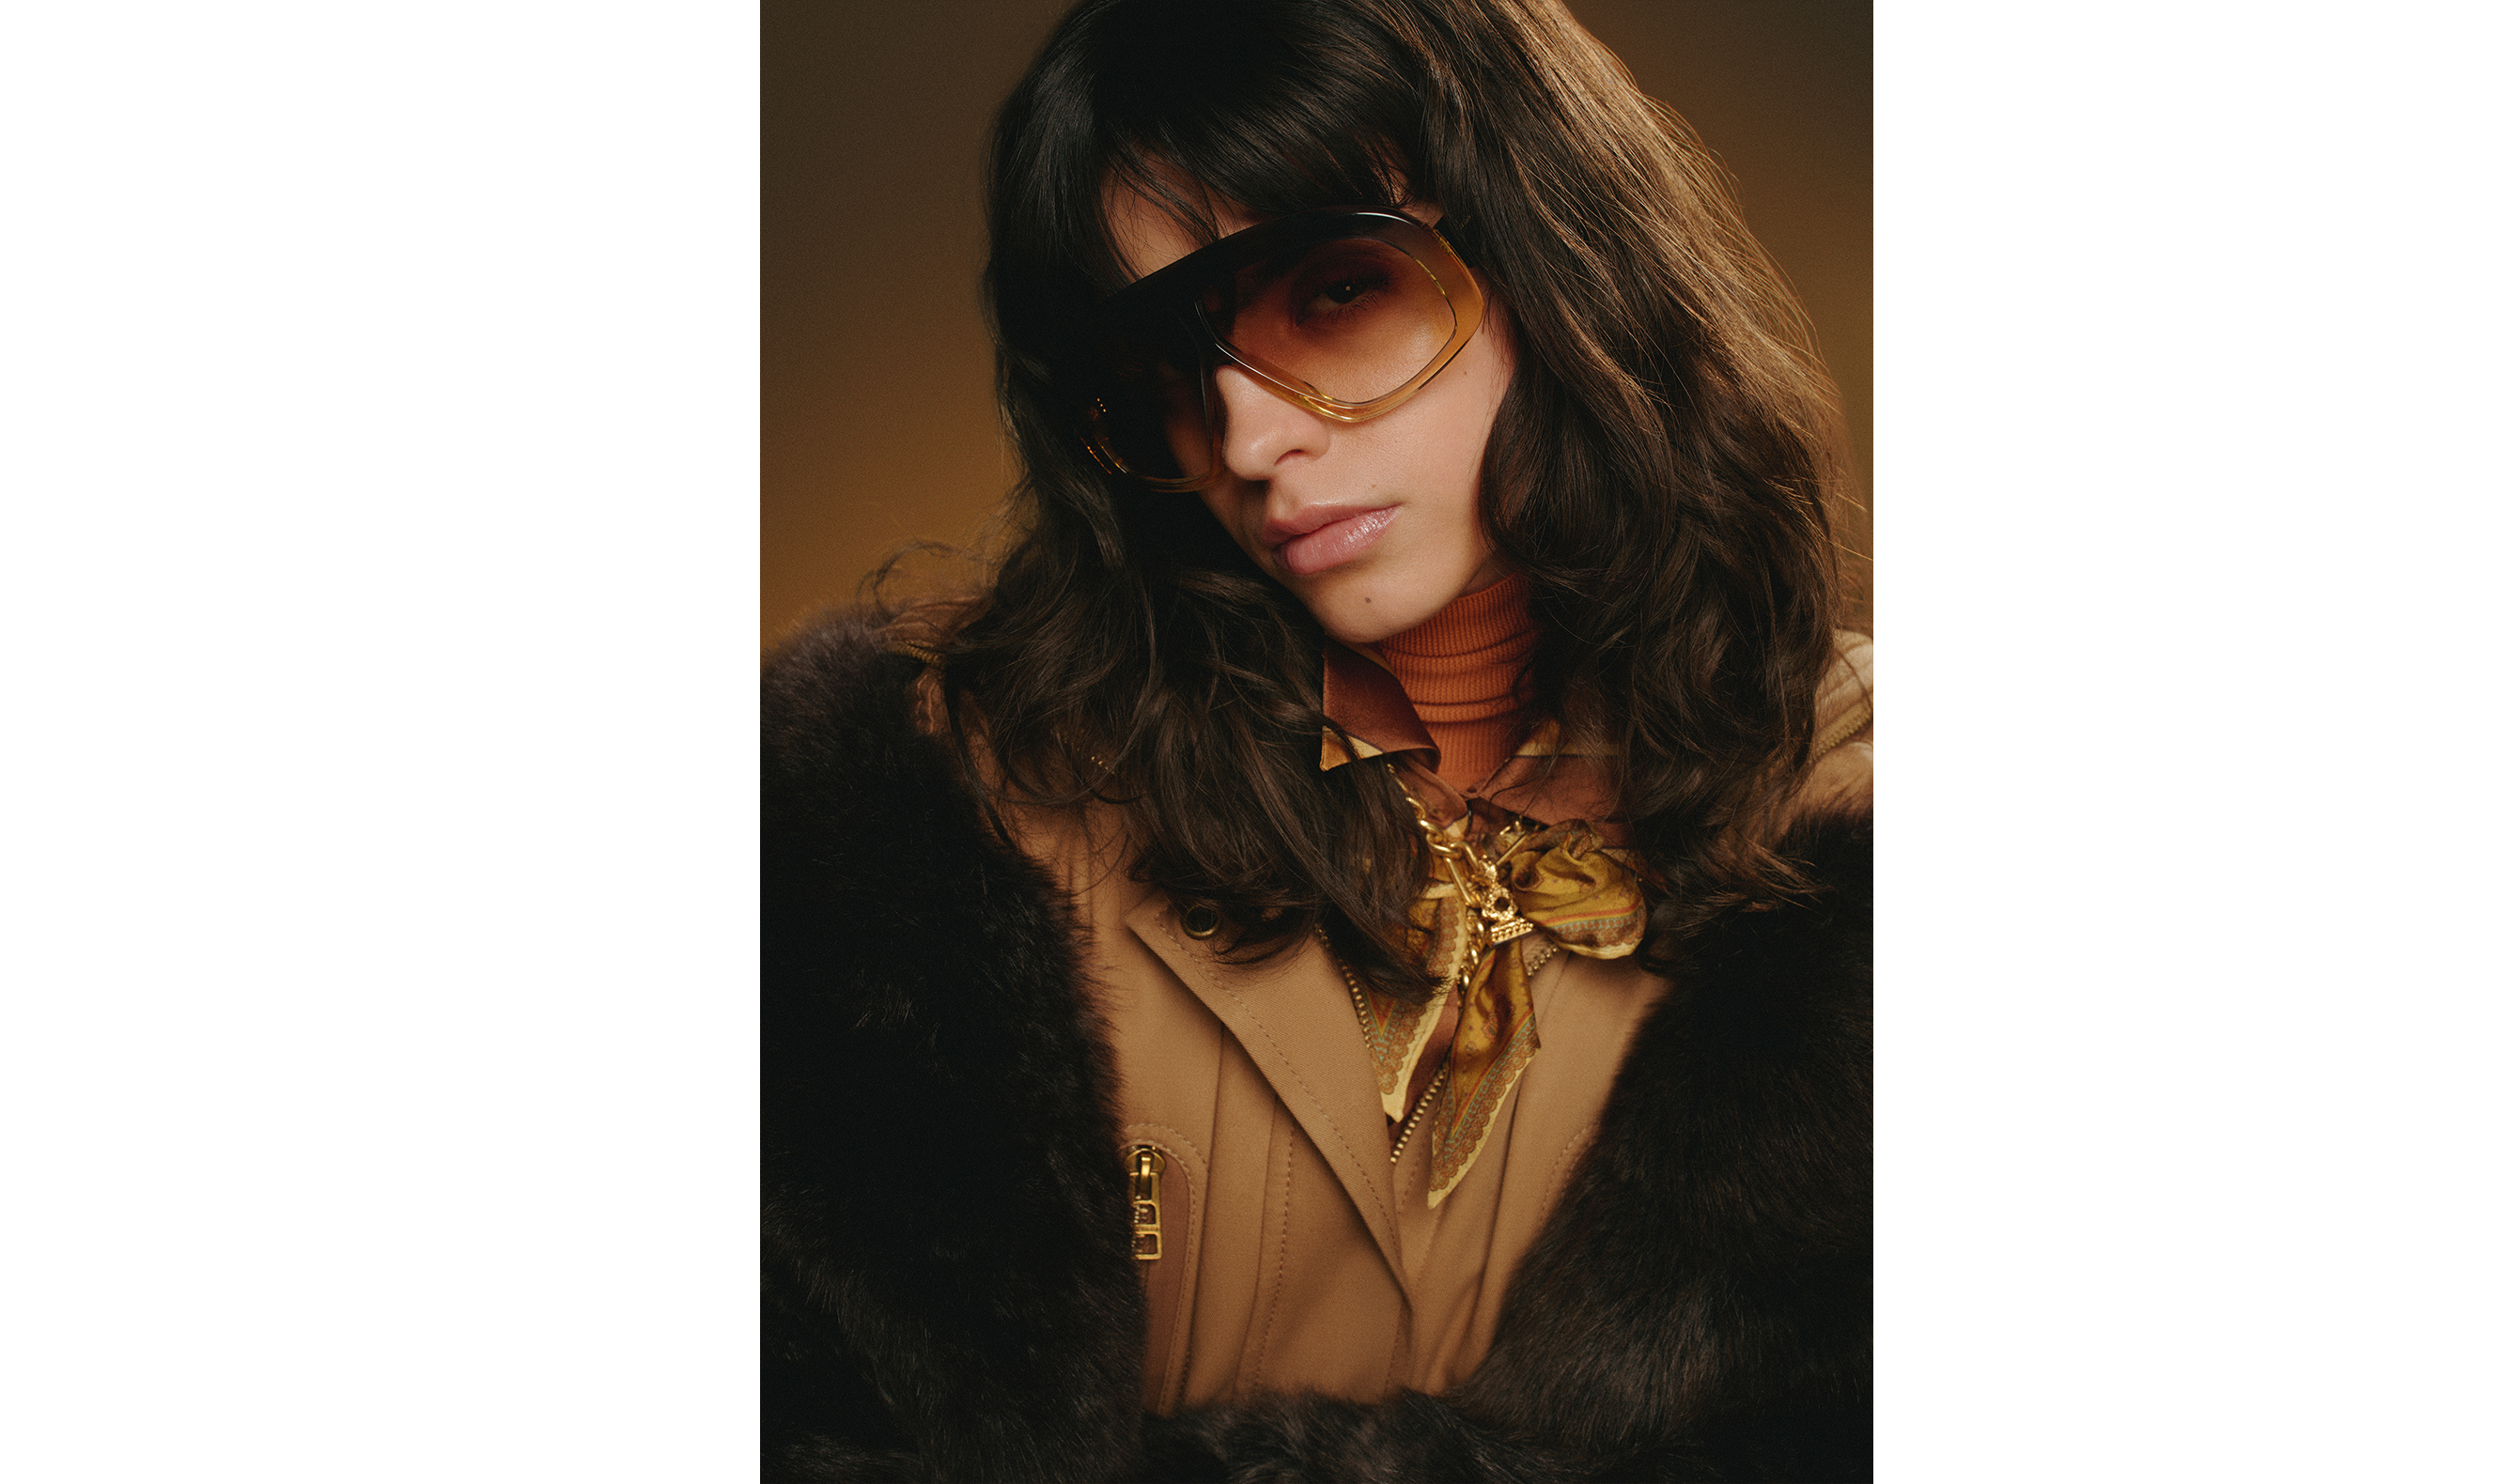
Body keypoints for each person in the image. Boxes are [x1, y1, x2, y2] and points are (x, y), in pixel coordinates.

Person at [763, 0, 1871, 1477]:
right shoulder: (940, 817)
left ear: (1551, 250)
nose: (1244, 438)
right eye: (1162, 368)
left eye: (1336, 291)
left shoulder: (1859, 817)